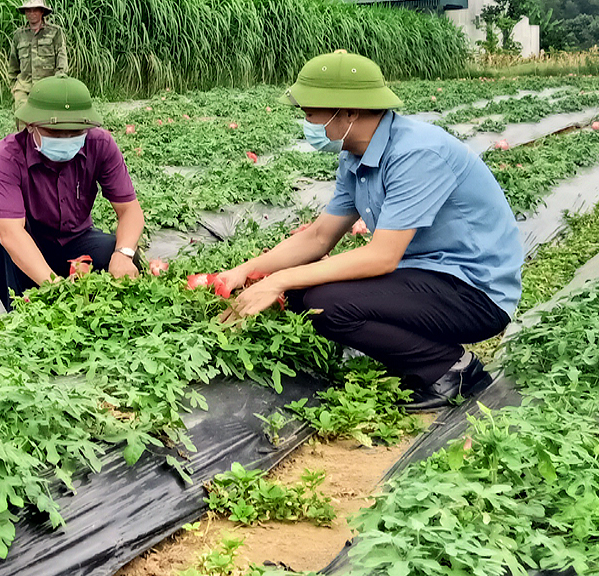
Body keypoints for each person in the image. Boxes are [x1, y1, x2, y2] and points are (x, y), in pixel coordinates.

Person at [214, 51, 521, 410]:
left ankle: (451, 369)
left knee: (326, 304)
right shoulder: (355, 154)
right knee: (303, 293)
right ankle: (413, 355)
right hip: (425, 276)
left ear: (348, 112)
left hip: (474, 291)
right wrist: (249, 271)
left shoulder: (417, 153)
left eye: (311, 113)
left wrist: (277, 281)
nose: (307, 122)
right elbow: (319, 236)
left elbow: (382, 256)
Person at [0, 75, 145, 307]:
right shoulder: (5, 157)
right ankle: (20, 316)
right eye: (55, 132)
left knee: (125, 256)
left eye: (75, 132)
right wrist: (54, 287)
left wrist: (123, 254)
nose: (66, 138)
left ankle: (106, 316)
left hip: (76, 240)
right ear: (30, 125)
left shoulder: (101, 145)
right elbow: (11, 235)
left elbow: (130, 211)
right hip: (28, 242)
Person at [8, 0, 69, 111]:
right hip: (24, 88)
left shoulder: (55, 32)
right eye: (28, 10)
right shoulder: (19, 35)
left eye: (35, 10)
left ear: (42, 11)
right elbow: (13, 66)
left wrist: (59, 82)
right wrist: (14, 87)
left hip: (48, 87)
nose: (32, 13)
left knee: (48, 123)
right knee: (23, 118)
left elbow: (62, 61)